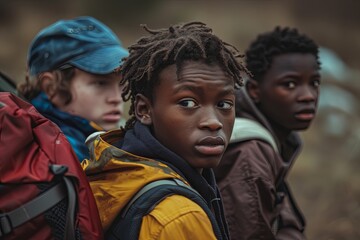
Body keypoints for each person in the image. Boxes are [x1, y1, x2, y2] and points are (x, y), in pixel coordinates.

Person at [82, 22, 249, 239]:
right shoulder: (178, 217)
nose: (213, 122)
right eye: (188, 103)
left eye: (224, 104)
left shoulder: (117, 164)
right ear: (144, 110)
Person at [214, 26, 321, 240]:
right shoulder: (249, 154)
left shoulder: (276, 138)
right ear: (254, 91)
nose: (308, 96)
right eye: (289, 84)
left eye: (314, 83)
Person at [17, 16, 129, 161]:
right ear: (52, 88)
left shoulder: (115, 137)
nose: (117, 98)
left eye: (122, 83)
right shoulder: (52, 155)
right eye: (101, 83)